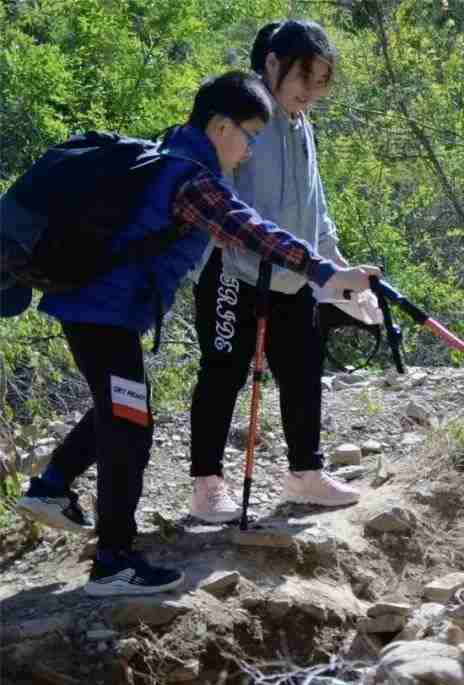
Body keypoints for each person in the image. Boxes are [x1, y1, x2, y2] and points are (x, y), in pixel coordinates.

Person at [14, 70, 380, 596]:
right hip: (103, 314)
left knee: (121, 409)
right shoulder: (194, 181)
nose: (250, 150)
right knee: (130, 427)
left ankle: (51, 488)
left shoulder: (170, 152)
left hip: (94, 310)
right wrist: (326, 272)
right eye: (249, 135)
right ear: (220, 125)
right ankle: (113, 561)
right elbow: (252, 231)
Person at [188, 20, 371, 522]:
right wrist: (246, 251)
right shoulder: (243, 115)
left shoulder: (301, 124)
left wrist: (335, 269)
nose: (311, 93)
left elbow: (316, 206)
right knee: (223, 374)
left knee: (303, 370)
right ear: (271, 63)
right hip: (232, 270)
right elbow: (214, 198)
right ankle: (207, 485)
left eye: (319, 83)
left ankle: (305, 475)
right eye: (303, 79)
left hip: (296, 274)